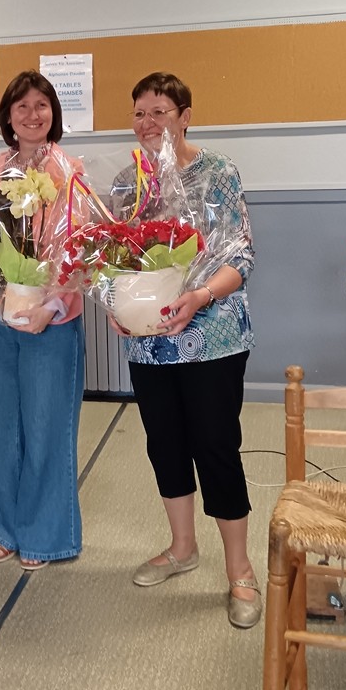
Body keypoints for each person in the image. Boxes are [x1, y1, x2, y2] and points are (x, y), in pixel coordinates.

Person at [112, 72, 260, 629]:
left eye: (159, 111)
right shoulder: (127, 183)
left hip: (213, 336)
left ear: (185, 116)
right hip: (150, 345)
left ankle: (240, 569)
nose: (147, 122)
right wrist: (115, 305)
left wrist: (199, 296)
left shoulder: (218, 172)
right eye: (139, 113)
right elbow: (113, 262)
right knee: (165, 445)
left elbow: (241, 256)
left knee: (216, 446)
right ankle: (182, 547)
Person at [0, 71, 85, 571]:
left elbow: (77, 249)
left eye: (42, 105)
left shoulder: (69, 170)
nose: (33, 115)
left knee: (45, 425)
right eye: (22, 107)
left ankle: (44, 535)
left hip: (49, 316)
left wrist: (50, 306)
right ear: (8, 118)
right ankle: (2, 526)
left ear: (54, 112)